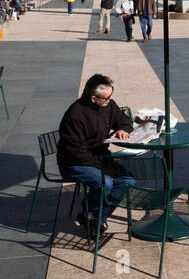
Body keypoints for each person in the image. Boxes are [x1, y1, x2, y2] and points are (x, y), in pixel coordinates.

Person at [57, 75, 136, 236]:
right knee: (105, 183)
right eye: (106, 98)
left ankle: (92, 216)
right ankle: (94, 219)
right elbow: (76, 152)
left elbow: (124, 119)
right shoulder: (75, 115)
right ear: (93, 98)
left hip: (99, 158)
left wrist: (122, 129)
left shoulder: (108, 104)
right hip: (74, 162)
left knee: (128, 181)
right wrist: (104, 169)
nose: (110, 99)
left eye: (111, 95)